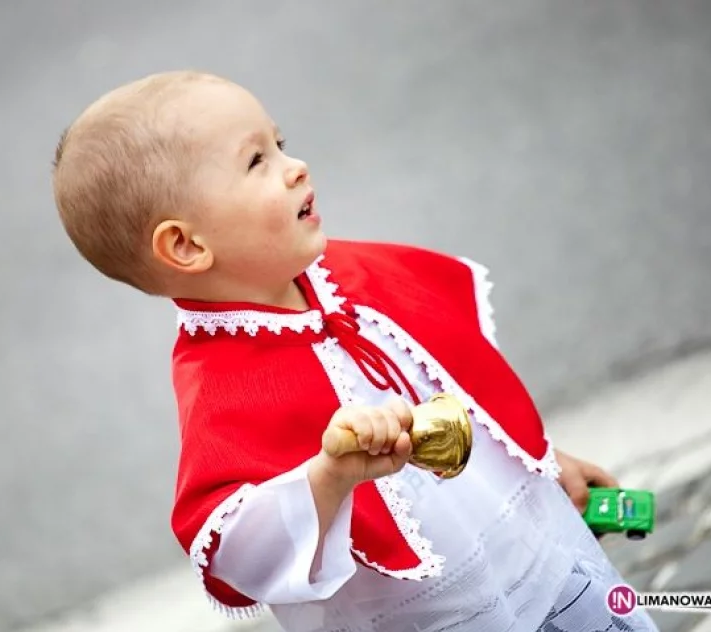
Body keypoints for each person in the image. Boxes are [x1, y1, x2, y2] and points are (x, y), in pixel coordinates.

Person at [51, 70, 658, 632]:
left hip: (544, 556)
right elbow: (237, 539)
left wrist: (548, 466)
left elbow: (456, 384)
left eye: (281, 143)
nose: (296, 167)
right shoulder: (223, 382)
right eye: (257, 161)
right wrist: (329, 475)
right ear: (185, 245)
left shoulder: (349, 276)